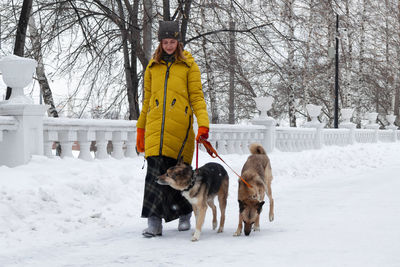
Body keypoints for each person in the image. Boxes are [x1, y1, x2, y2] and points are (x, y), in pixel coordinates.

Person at [136, 20, 210, 238]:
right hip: (154, 130)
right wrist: (141, 128)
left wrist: (203, 124)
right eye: (165, 41)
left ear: (178, 42)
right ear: (161, 42)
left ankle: (185, 214)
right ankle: (154, 223)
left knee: (181, 176)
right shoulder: (152, 66)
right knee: (153, 178)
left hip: (180, 130)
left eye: (172, 41)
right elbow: (147, 100)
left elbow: (197, 96)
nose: (169, 45)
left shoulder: (189, 65)